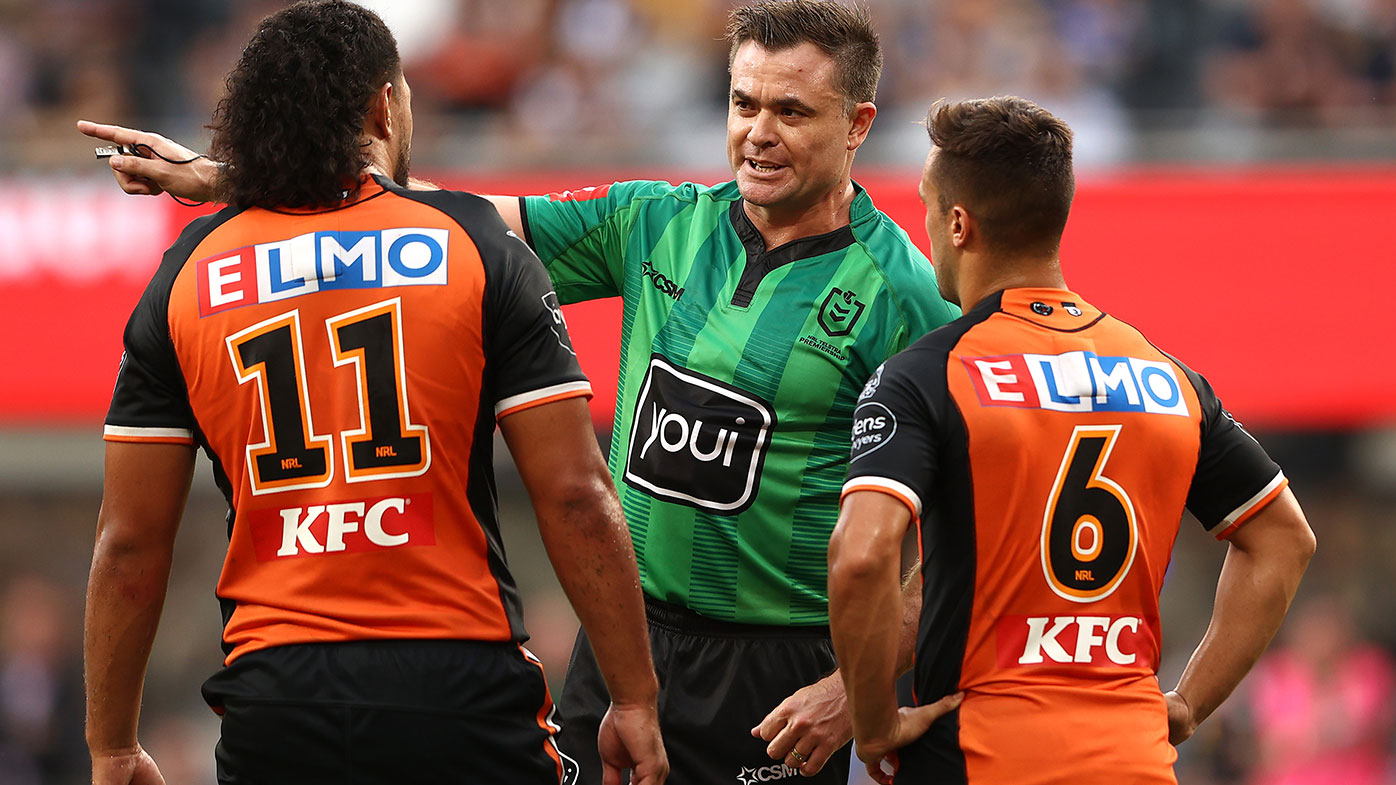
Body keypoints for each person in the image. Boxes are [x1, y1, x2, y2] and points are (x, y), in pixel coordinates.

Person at [80, 2, 961, 782]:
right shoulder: (652, 219)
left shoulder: (905, 296)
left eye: (791, 111)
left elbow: (969, 525)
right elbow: (433, 220)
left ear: (858, 124)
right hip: (629, 645)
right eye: (744, 104)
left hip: (780, 674)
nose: (758, 133)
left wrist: (857, 685)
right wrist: (238, 183)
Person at [83, 3, 666, 785]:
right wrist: (634, 695)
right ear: (383, 104)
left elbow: (128, 544)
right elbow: (575, 496)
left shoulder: (186, 275)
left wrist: (112, 745)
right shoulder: (477, 246)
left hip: (274, 703)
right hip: (459, 687)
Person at [828, 94, 1317, 784]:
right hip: (1134, 762)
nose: (927, 226)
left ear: (959, 224)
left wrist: (873, 719)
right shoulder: (1168, 376)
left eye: (929, 206)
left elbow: (861, 555)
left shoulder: (927, 375)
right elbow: (1285, 538)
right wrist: (1188, 702)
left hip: (979, 756)